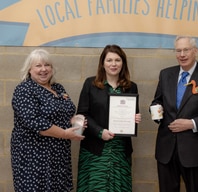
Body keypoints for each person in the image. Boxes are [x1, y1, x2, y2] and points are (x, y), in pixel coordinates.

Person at [150, 35, 198, 192]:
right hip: (166, 151)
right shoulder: (166, 75)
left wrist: (191, 123)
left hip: (195, 151)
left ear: (195, 51)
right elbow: (157, 101)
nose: (182, 54)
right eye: (178, 50)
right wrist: (156, 112)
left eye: (186, 50)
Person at [11, 49, 85, 192]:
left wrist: (75, 122)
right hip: (34, 157)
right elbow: (35, 122)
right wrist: (64, 134)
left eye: (47, 65)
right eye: (38, 66)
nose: (43, 69)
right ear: (29, 70)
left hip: (59, 156)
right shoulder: (24, 90)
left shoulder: (58, 88)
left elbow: (64, 112)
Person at [76, 44, 141, 192]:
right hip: (95, 149)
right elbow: (82, 114)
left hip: (120, 150)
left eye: (117, 60)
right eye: (109, 60)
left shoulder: (131, 87)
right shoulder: (90, 84)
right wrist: (100, 132)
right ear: (102, 63)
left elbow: (132, 114)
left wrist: (135, 118)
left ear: (123, 63)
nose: (113, 64)